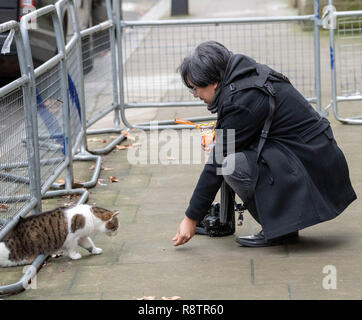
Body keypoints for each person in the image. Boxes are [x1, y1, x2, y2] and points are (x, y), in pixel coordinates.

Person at [172, 41, 357, 247]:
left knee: (231, 165)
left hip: (312, 166)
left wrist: (191, 218)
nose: (195, 95)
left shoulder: (241, 100)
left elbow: (217, 161)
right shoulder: (242, 75)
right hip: (313, 155)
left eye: (195, 88)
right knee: (227, 151)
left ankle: (280, 230)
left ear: (214, 82)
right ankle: (241, 220)